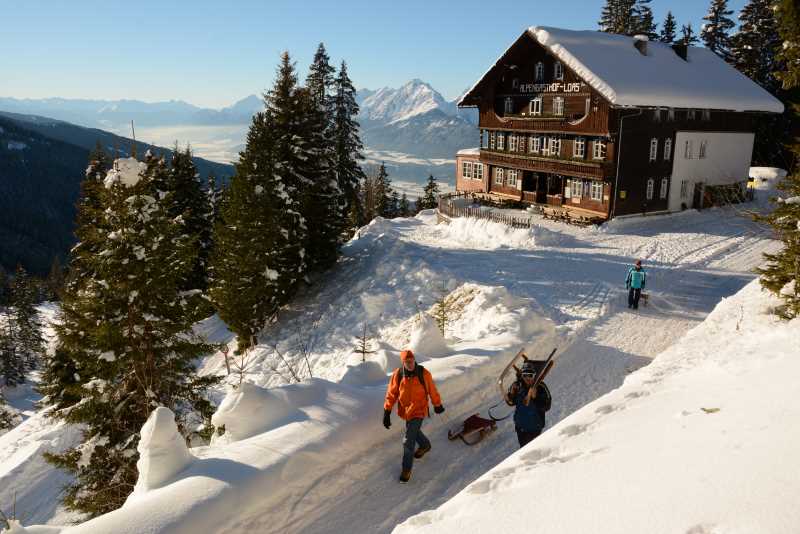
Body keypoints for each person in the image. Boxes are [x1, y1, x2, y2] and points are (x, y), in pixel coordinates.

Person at [383, 349, 444, 483]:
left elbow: (432, 390)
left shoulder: (423, 373)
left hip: (419, 410)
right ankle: (425, 445)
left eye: (412, 361)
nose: (410, 364)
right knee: (414, 431)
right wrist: (386, 412)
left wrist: (437, 404)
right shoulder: (398, 375)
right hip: (406, 411)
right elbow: (392, 394)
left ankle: (406, 469)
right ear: (403, 362)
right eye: (407, 362)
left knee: (408, 441)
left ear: (414, 360)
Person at [505, 359, 552, 448]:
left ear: (534, 375)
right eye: (525, 375)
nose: (527, 378)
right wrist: (511, 394)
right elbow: (511, 402)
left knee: (534, 450)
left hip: (535, 427)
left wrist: (535, 398)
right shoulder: (517, 385)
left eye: (530, 375)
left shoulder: (541, 387)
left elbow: (547, 406)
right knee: (523, 449)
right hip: (521, 427)